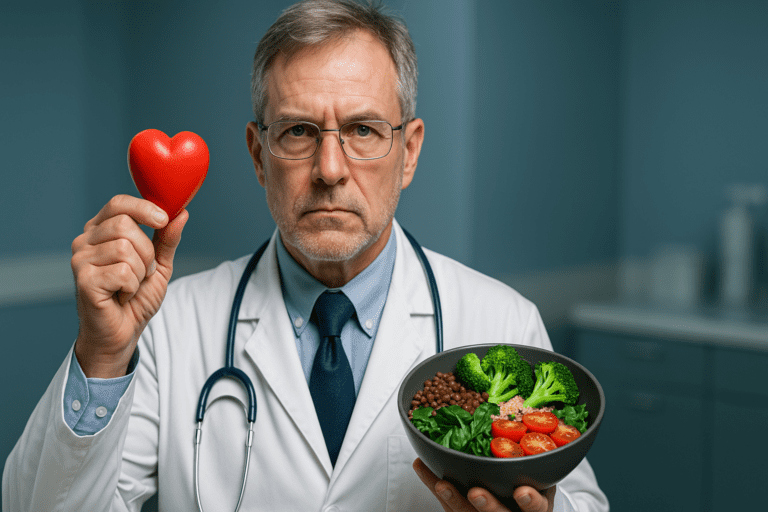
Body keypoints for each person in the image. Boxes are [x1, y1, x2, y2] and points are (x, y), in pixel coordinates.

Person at [3, 1, 608, 511]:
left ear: (409, 152)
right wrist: (102, 356)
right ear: (258, 156)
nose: (330, 169)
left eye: (364, 130)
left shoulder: (502, 321)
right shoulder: (168, 328)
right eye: (297, 131)